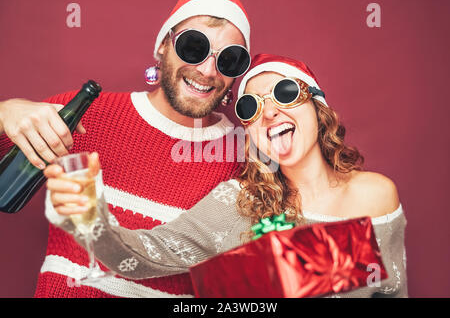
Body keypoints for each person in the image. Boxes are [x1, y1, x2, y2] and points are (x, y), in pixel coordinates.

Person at [44, 54, 408, 298]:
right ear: (247, 132)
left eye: (284, 93)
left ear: (317, 104)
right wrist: (91, 217)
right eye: (250, 107)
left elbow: (392, 291)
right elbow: (144, 257)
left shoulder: (375, 195)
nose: (269, 113)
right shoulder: (241, 204)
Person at [0, 0, 252, 298]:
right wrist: (5, 113)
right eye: (194, 47)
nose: (208, 71)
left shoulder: (246, 158)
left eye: (229, 59)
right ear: (163, 45)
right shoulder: (85, 115)